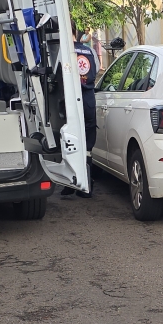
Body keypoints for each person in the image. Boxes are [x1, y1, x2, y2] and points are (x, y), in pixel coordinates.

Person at [63, 19, 97, 200]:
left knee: (70, 142)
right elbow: (96, 70)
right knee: (87, 145)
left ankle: (72, 181)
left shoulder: (65, 51)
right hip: (88, 100)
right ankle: (87, 185)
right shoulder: (89, 51)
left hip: (71, 102)